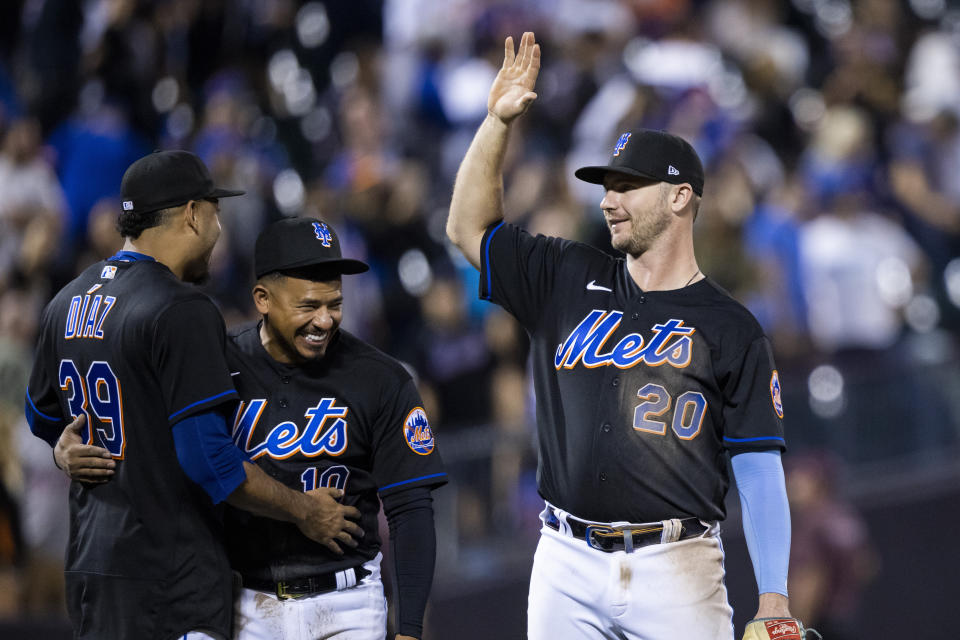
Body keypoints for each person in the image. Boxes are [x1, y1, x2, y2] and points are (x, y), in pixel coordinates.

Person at [446, 32, 796, 639]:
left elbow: (759, 467)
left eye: (628, 185)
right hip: (564, 559)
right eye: (607, 185)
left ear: (681, 196)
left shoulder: (731, 327)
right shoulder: (563, 274)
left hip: (677, 565)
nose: (609, 199)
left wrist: (773, 599)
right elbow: (465, 226)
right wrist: (496, 123)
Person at [26, 150, 362, 640]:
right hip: (169, 574)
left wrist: (64, 451)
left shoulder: (66, 300)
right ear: (191, 213)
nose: (219, 229)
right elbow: (209, 460)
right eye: (215, 211)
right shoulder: (181, 308)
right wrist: (305, 510)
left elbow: (40, 416)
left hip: (91, 569)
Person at [225, 217, 447, 640]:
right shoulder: (220, 369)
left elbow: (411, 507)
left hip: (349, 605)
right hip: (248, 605)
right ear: (263, 298)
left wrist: (410, 629)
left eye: (335, 304)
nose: (325, 321)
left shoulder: (379, 378)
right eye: (309, 306)